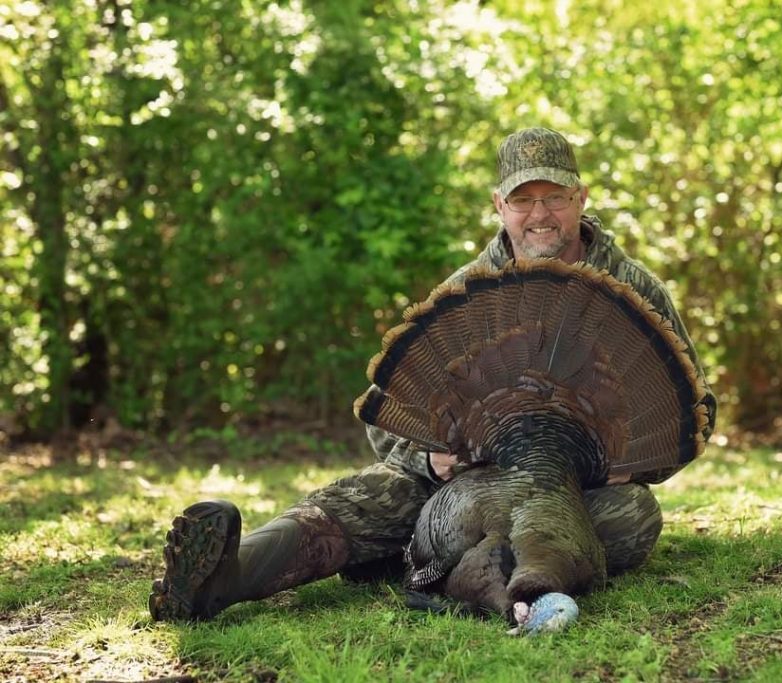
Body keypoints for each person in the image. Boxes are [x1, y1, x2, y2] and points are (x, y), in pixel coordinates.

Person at [148, 127, 717, 622]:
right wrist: (428, 458)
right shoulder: (467, 288)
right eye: (524, 200)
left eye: (555, 197)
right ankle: (225, 576)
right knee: (369, 496)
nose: (540, 215)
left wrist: (635, 463)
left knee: (632, 517)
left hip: (574, 483)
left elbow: (694, 409)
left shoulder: (634, 287)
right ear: (499, 205)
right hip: (463, 477)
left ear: (581, 197)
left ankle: (434, 565)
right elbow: (391, 415)